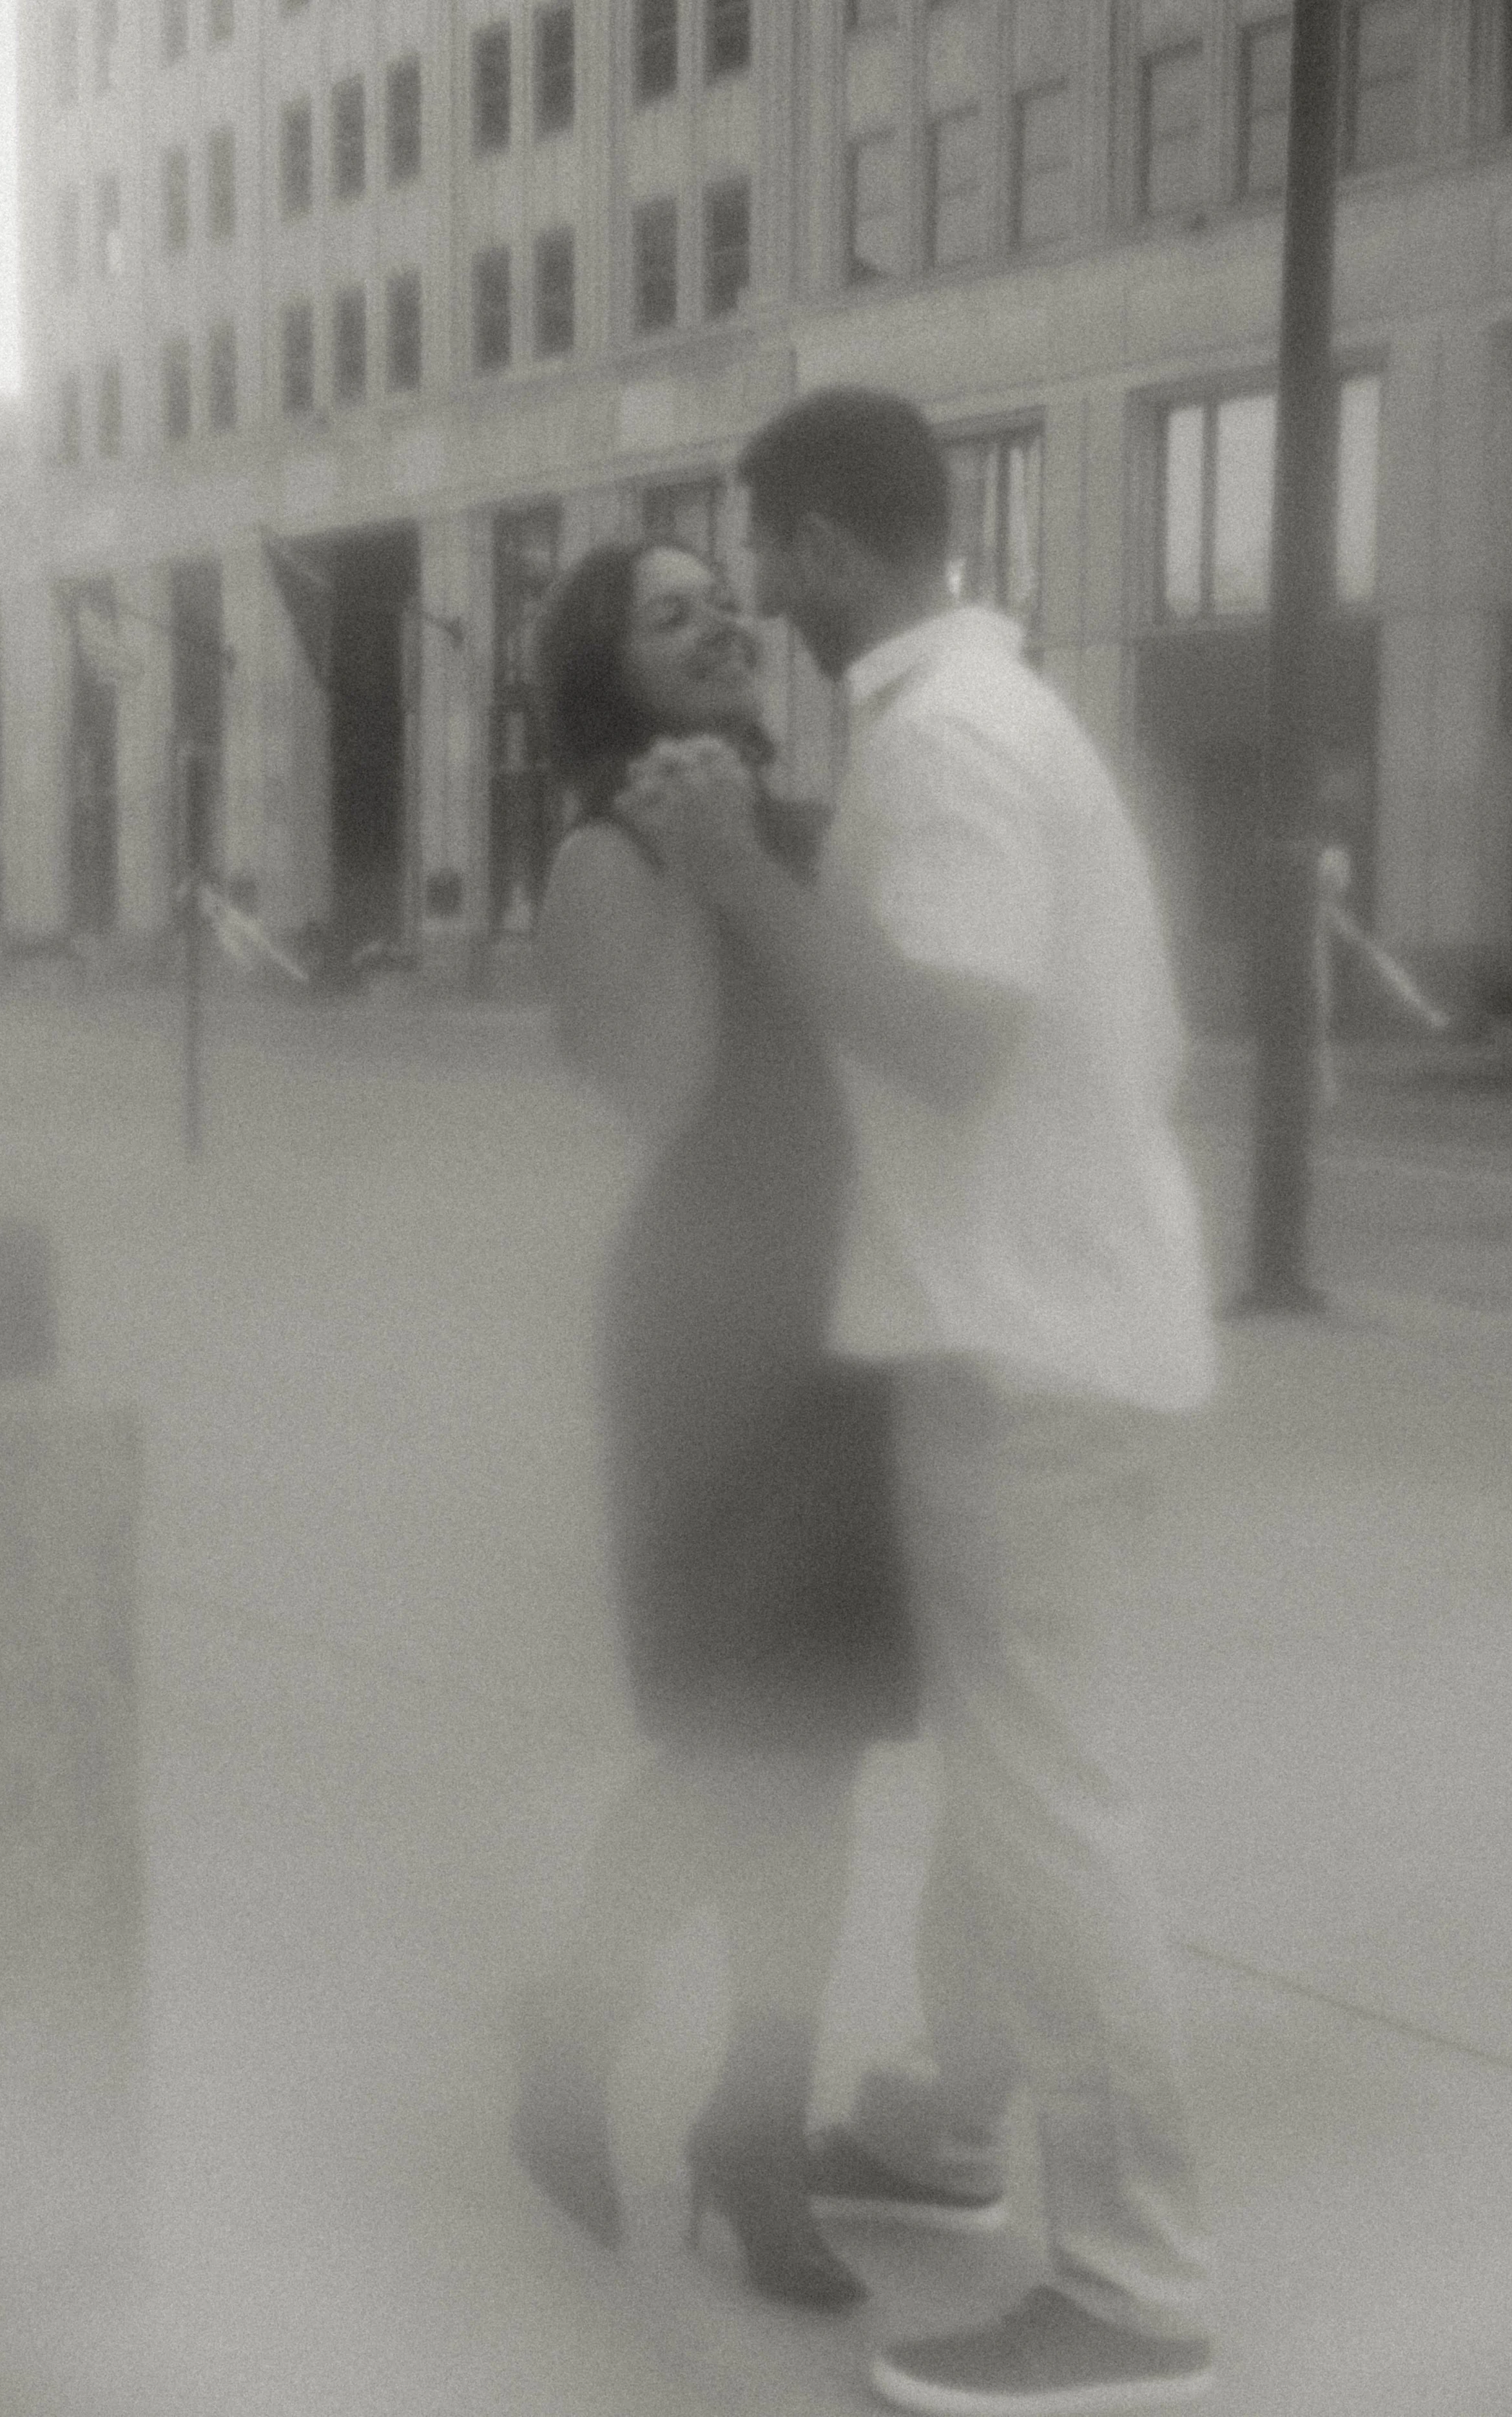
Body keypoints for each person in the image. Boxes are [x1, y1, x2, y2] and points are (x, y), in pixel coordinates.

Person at [618, 389, 1219, 2416]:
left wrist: (729, 870)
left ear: (821, 547)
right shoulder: (982, 716)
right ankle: (951, 2121)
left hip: (1024, 1351)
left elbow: (953, 1036)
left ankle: (1136, 2286)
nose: (757, 591)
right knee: (1008, 1779)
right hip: (1060, 1327)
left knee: (1048, 1810)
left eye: (763, 550)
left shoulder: (951, 741)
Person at [514, 537, 917, 2313]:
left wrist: (753, 851)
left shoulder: (791, 824)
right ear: (607, 679)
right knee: (734, 1747)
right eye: (670, 616)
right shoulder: (603, 858)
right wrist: (699, 865)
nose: (724, 625)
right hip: (705, 1344)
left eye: (720, 602)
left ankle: (757, 2125)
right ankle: (574, 2029)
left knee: (824, 1748)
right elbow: (667, 1088)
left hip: (843, 1320)